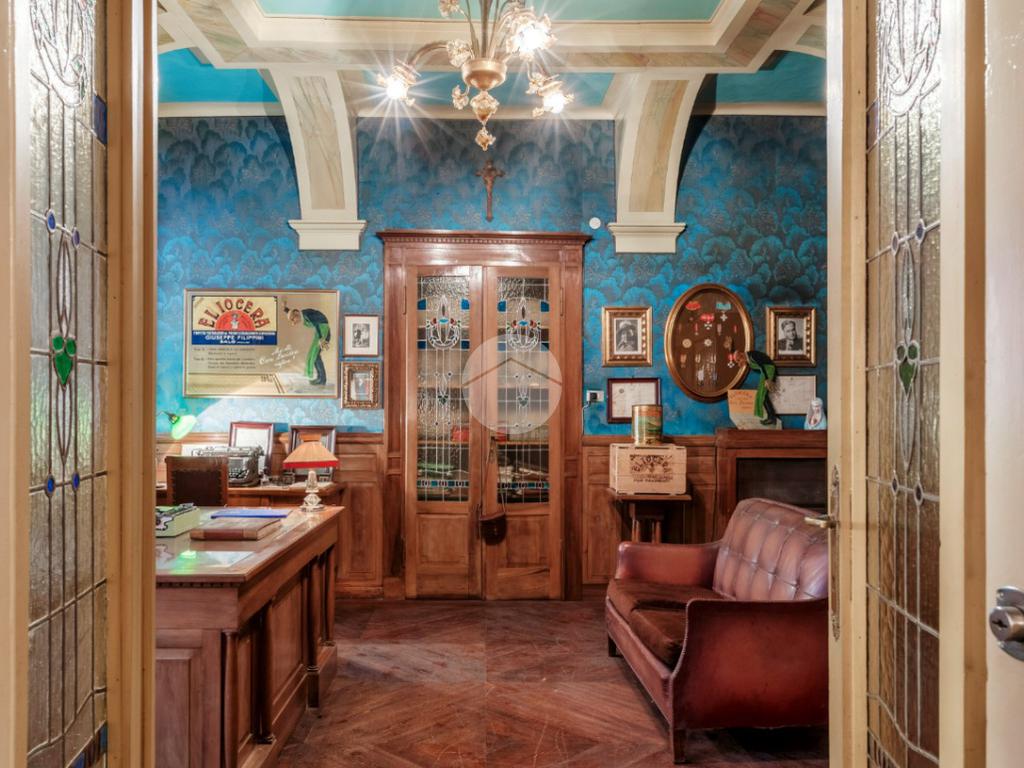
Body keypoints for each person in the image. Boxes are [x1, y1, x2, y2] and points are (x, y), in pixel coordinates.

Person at [286, 305, 331, 386]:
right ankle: (320, 378)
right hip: (319, 332)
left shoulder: (307, 315)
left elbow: (317, 324)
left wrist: (321, 339)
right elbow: (291, 312)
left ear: (297, 314)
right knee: (312, 355)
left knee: (315, 355)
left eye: (293, 319)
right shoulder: (301, 314)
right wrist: (285, 309)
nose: (293, 322)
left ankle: (322, 379)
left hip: (323, 331)